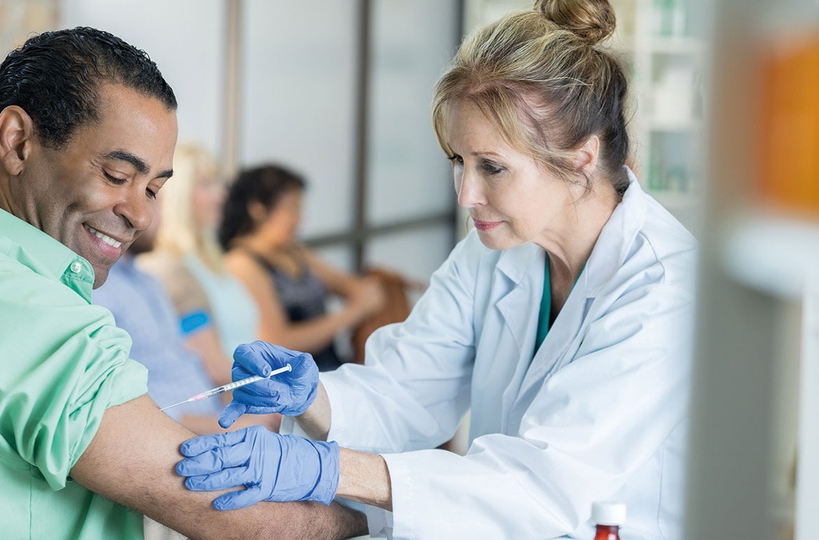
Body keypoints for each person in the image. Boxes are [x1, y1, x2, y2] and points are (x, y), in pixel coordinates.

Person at [176, 2, 697, 539]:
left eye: (492, 166)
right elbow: (407, 389)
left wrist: (328, 469)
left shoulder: (664, 290)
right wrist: (316, 399)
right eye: (457, 161)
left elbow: (542, 485)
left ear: (581, 159)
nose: (467, 195)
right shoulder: (498, 249)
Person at [0, 27, 364, 539]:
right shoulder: (18, 305)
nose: (141, 214)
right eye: (117, 175)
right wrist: (397, 514)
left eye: (152, 188)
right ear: (17, 142)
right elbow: (235, 516)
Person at [92, 199, 280, 436]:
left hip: (216, 414)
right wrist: (234, 422)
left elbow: (191, 360)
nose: (150, 217)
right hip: (183, 434)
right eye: (152, 200)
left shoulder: (148, 281)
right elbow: (118, 410)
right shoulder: (164, 274)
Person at [219, 164, 385, 372]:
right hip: (292, 384)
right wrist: (350, 314)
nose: (300, 218)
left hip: (330, 369)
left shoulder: (295, 252)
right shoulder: (241, 263)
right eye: (292, 208)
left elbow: (353, 288)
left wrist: (379, 284)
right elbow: (276, 341)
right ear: (258, 209)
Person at [139, 143, 258, 387]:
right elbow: (214, 367)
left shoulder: (215, 260)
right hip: (232, 400)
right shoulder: (169, 269)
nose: (221, 194)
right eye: (206, 184)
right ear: (177, 194)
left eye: (217, 183)